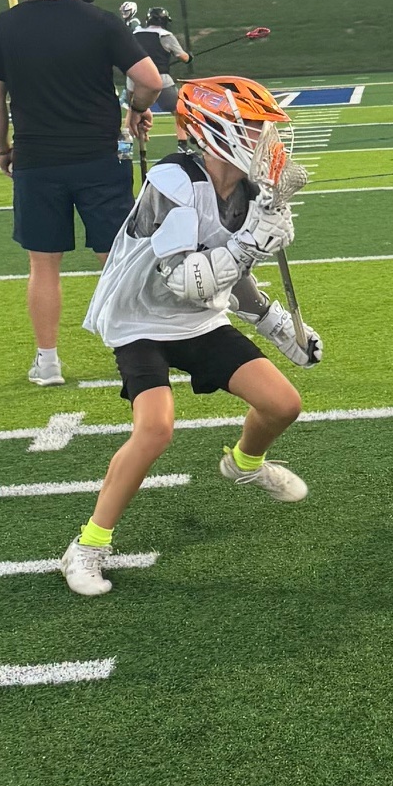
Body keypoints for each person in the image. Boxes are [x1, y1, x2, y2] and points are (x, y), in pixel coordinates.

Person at [63, 75, 322, 596]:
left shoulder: (250, 189)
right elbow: (185, 279)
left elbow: (227, 277)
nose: (266, 141)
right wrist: (250, 243)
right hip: (140, 321)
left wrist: (273, 322)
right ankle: (87, 546)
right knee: (155, 430)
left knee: (282, 405)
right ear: (214, 130)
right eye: (254, 128)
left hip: (197, 319)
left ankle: (244, 463)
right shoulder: (172, 181)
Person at [0, 0, 163, 386]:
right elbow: (151, 81)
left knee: (43, 265)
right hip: (98, 157)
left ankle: (47, 362)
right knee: (115, 258)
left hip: (37, 160)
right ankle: (136, 352)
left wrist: (3, 149)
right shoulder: (100, 22)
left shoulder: (7, 24)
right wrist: (136, 109)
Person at [119, 0, 188, 111]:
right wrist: (190, 57)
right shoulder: (165, 35)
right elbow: (183, 57)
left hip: (134, 78)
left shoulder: (136, 33)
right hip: (159, 77)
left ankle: (130, 122)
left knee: (135, 111)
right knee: (177, 108)